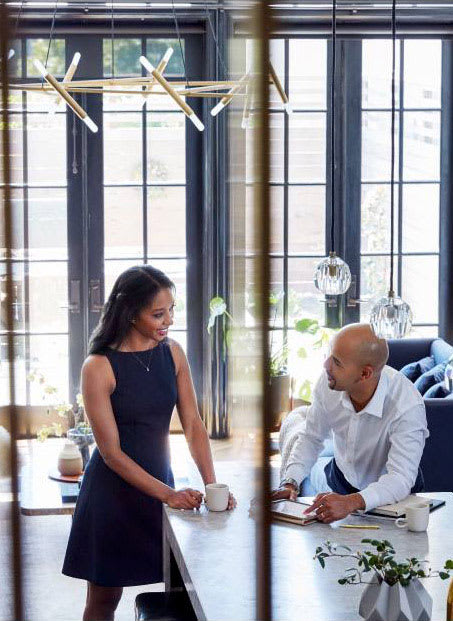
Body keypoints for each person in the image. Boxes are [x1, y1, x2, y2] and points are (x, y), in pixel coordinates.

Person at [62, 265, 236, 621]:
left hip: (160, 484)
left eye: (172, 309)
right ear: (130, 312)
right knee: (103, 600)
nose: (169, 320)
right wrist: (168, 495)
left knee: (180, 589)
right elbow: (111, 454)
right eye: (158, 313)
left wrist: (212, 485)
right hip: (112, 496)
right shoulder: (98, 366)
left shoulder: (173, 353)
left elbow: (193, 425)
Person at [272, 323, 428, 524]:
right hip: (342, 481)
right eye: (330, 355)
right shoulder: (328, 384)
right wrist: (290, 482)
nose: (326, 365)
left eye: (337, 362)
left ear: (365, 374)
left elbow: (400, 478)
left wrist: (351, 502)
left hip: (395, 499)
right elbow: (311, 437)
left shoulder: (407, 405)